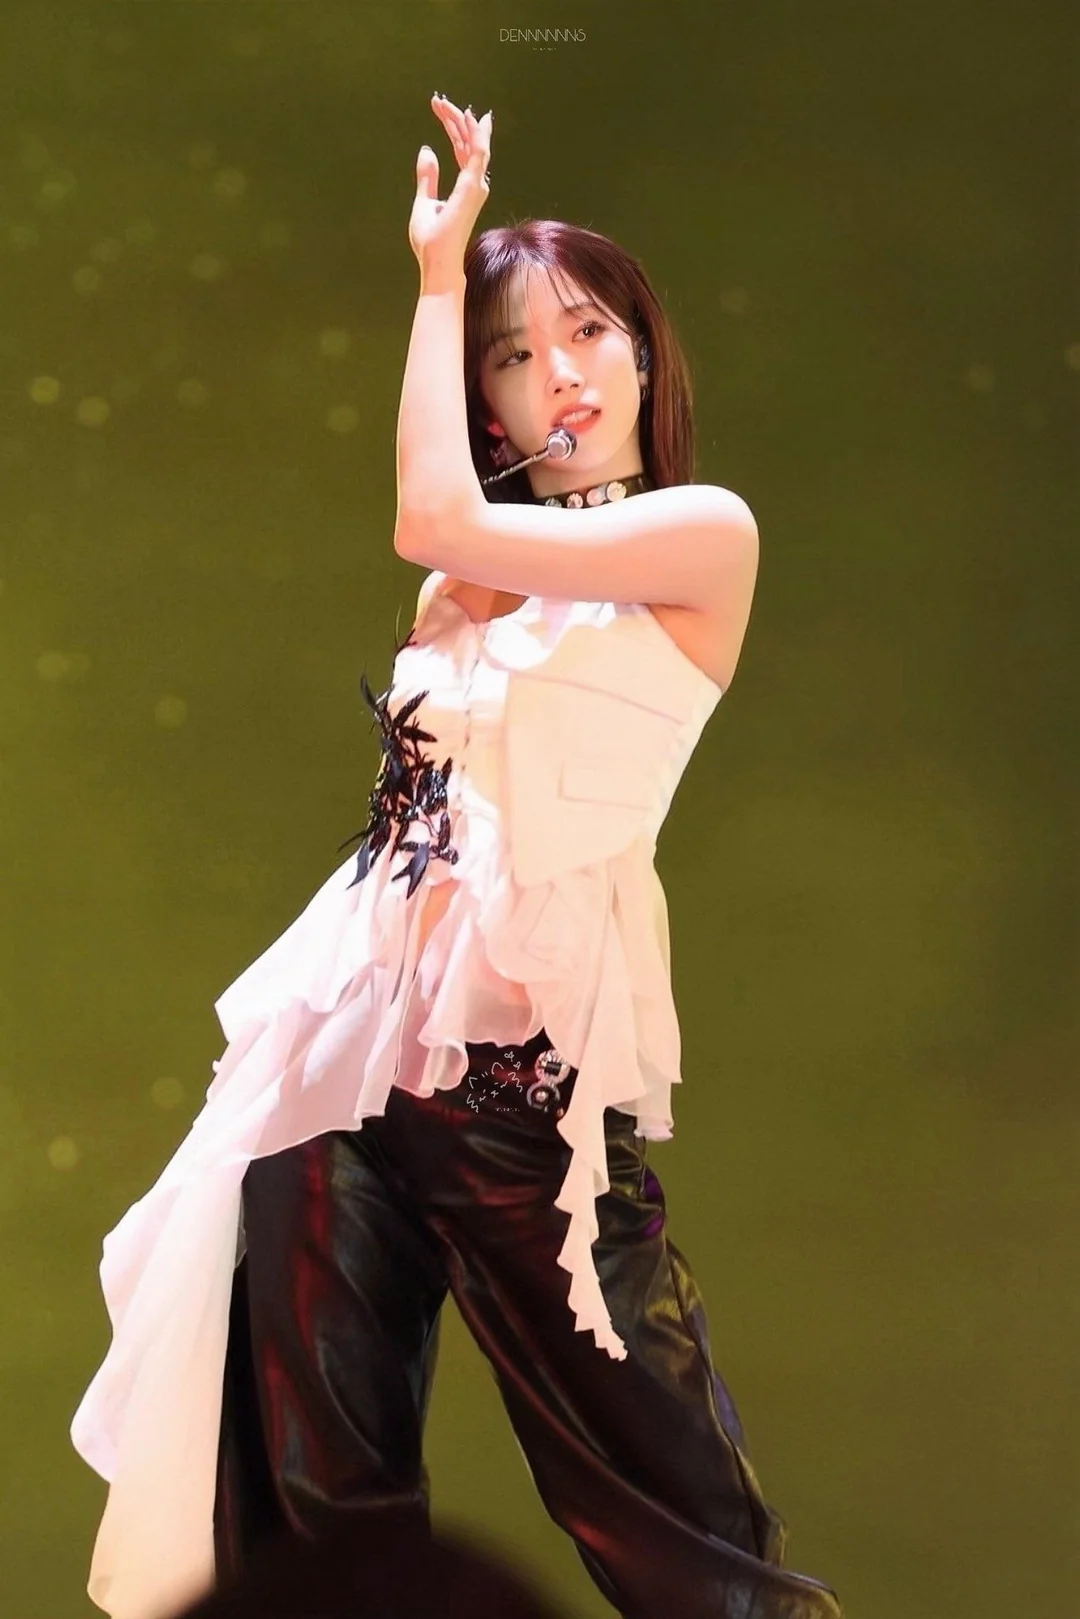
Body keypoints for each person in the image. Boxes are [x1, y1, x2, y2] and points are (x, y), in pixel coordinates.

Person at [70, 94, 845, 1619]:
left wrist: (440, 277)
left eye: (587, 333)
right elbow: (440, 602)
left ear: (644, 355)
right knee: (318, 1524)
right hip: (339, 1064)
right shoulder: (466, 598)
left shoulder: (703, 537)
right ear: (485, 399)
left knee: (683, 1528)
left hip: (520, 1083)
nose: (558, 372)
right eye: (510, 352)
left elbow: (429, 513)